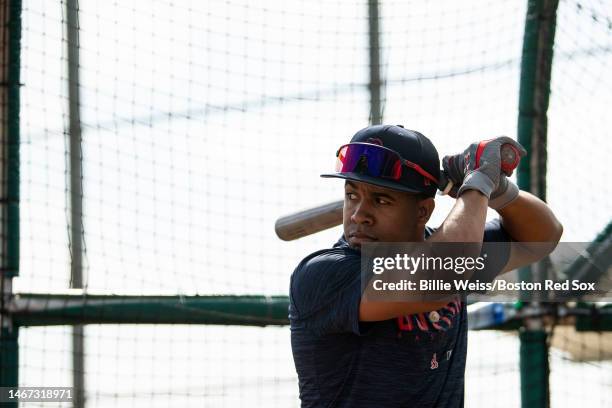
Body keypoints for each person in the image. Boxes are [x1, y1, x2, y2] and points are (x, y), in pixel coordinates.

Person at [289, 124, 563, 407]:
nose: (359, 215)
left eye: (381, 200)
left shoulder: (454, 249)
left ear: (423, 211)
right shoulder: (323, 273)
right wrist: (477, 182)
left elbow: (543, 235)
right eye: (352, 195)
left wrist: (497, 188)